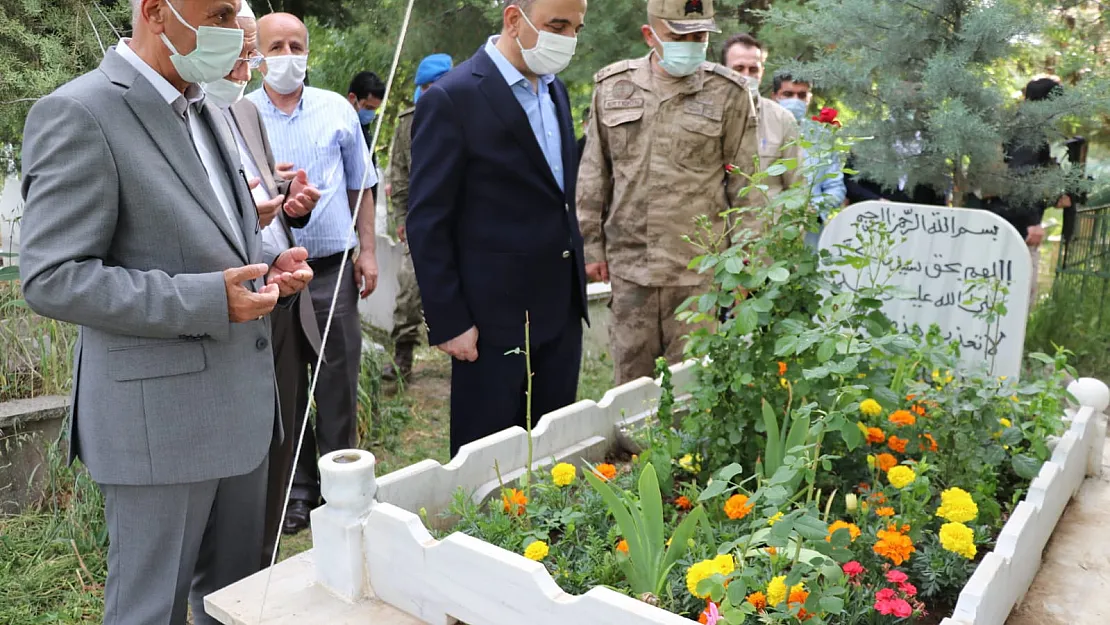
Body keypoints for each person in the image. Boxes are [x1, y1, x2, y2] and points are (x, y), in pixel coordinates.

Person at [17, 1, 314, 623]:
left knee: (232, 604)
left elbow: (211, 237)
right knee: (148, 611)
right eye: (222, 13)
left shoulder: (209, 106)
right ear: (157, 11)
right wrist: (209, 300)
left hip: (241, 410)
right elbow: (52, 277)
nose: (239, 33)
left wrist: (266, 269)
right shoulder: (81, 111)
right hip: (159, 428)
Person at [407, 0, 589, 457]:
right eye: (557, 25)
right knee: (489, 463)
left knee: (552, 455)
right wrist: (450, 321)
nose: (568, 39)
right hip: (493, 322)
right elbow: (428, 220)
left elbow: (556, 195)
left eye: (576, 28)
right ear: (514, 19)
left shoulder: (555, 90)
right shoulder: (453, 97)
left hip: (560, 310)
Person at [201, 0, 324, 567]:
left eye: (252, 56)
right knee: (229, 479)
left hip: (280, 304)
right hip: (219, 318)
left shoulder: (244, 112)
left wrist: (286, 212)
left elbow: (255, 202)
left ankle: (264, 565)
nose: (247, 69)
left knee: (278, 451)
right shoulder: (179, 114)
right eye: (243, 54)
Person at [577, 0, 758, 385]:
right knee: (630, 384)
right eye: (681, 36)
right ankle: (635, 448)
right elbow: (594, 171)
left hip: (697, 272)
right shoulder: (613, 88)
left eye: (700, 36)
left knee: (692, 386)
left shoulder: (729, 94)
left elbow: (748, 185)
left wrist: (746, 258)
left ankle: (688, 449)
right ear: (650, 34)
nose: (692, 44)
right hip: (630, 268)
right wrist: (590, 247)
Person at [248, 12, 379, 534]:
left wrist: (367, 251)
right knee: (285, 384)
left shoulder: (336, 112)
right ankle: (296, 492)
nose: (288, 55)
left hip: (331, 267)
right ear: (256, 55)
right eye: (276, 46)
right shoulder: (236, 113)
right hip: (270, 275)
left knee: (338, 378)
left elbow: (360, 186)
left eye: (296, 44)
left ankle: (342, 486)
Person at [383, 53, 453, 382]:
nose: (430, 91)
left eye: (436, 85)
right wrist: (400, 216)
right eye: (425, 86)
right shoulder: (407, 122)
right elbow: (398, 174)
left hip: (462, 220)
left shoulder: (465, 111)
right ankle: (403, 356)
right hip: (421, 221)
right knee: (410, 288)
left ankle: (464, 356)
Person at [720, 33, 802, 202]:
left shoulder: (782, 120)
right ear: (723, 71)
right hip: (716, 226)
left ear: (762, 71)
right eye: (739, 68)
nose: (746, 75)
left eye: (753, 69)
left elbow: (797, 187)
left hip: (765, 225)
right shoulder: (703, 117)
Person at [769, 73, 847, 246]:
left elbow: (835, 188)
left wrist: (812, 209)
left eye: (802, 95)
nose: (795, 100)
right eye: (788, 94)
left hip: (810, 234)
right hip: (767, 230)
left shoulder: (822, 137)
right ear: (775, 97)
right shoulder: (760, 132)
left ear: (809, 98)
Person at [348, 70, 385, 198]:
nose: (371, 113)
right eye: (368, 107)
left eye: (375, 109)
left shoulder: (365, 129)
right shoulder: (341, 130)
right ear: (353, 98)